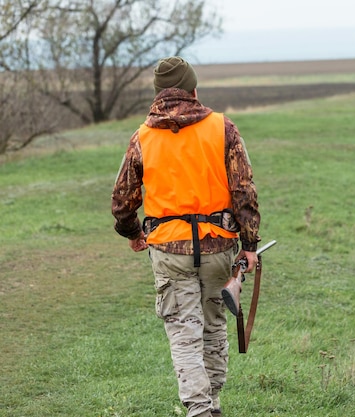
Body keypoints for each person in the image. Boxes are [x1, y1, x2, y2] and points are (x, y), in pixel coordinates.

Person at [111, 56, 261, 417]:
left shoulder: (142, 137)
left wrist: (133, 233)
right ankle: (213, 404)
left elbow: (121, 202)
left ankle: (199, 409)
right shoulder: (223, 128)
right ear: (194, 90)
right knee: (213, 327)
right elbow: (244, 192)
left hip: (167, 250)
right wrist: (251, 245)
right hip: (218, 248)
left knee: (183, 333)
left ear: (159, 94)